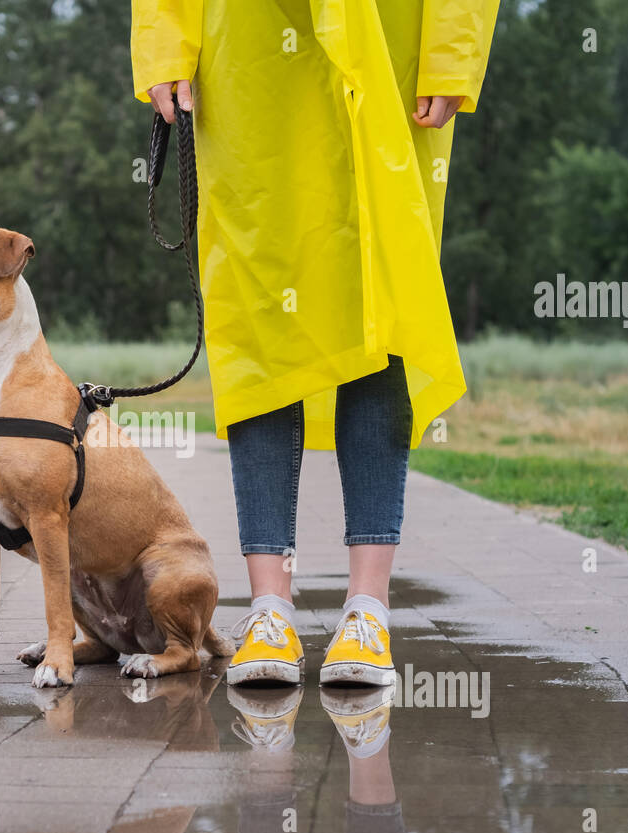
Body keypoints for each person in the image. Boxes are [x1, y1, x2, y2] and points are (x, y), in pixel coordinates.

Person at [131, 1, 500, 686]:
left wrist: (453, 48)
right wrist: (162, 47)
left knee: (377, 309)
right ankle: (270, 607)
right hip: (247, 54)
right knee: (258, 325)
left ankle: (368, 609)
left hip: (387, 44)